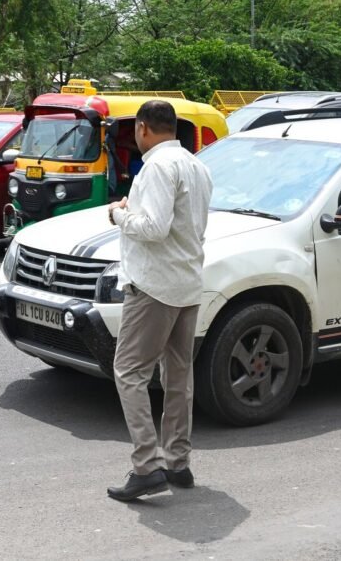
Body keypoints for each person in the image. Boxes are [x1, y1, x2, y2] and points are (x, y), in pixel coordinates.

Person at [105, 100, 213, 501]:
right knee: (178, 375)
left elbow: (153, 227)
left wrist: (118, 214)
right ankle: (178, 463)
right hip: (186, 282)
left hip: (154, 286)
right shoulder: (197, 166)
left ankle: (147, 466)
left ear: (143, 128)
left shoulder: (156, 167)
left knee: (129, 372)